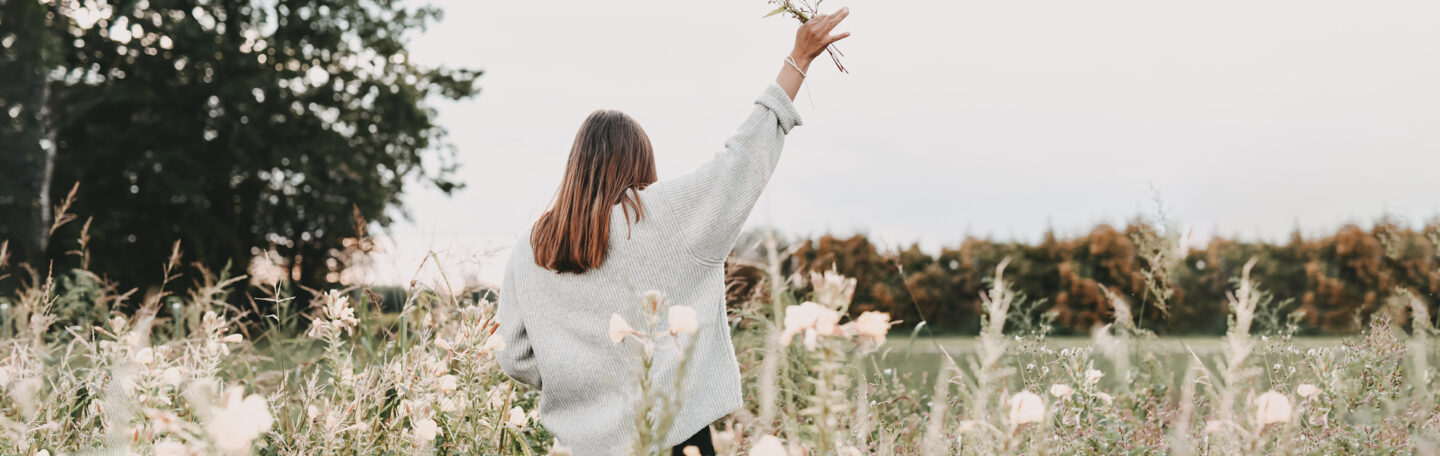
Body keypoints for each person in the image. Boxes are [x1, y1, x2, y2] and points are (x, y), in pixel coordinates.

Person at [496, 9, 851, 455]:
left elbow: (514, 355)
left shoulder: (530, 248)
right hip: (675, 440)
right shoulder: (662, 214)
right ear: (640, 166)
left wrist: (580, 380)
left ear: (575, 168)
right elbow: (741, 161)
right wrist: (798, 59)